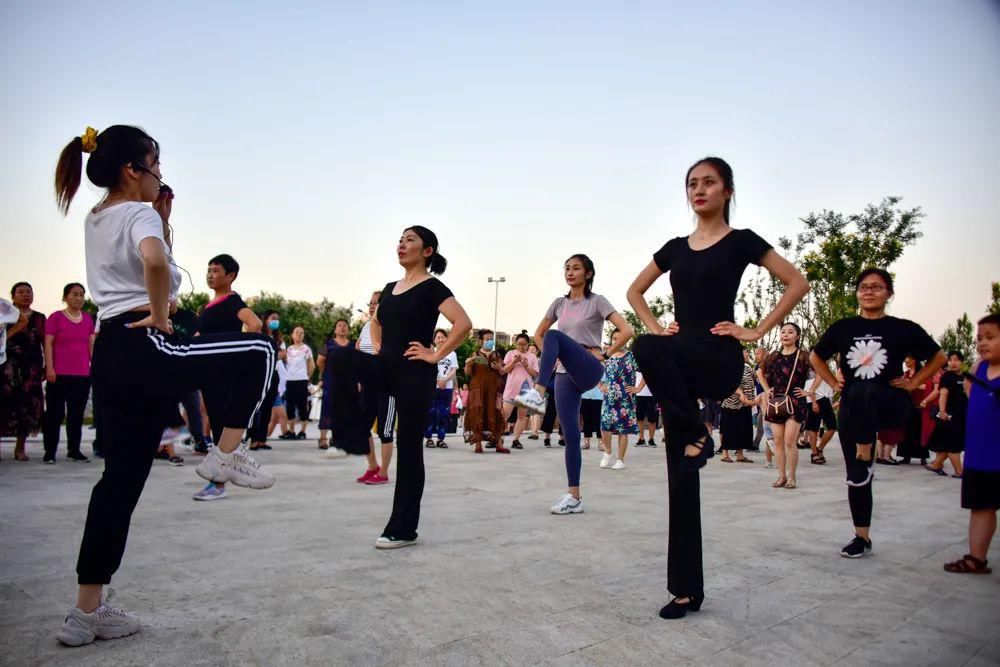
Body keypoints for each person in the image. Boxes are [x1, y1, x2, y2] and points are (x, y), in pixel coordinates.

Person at [53, 124, 275, 646]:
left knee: (120, 482)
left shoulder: (98, 215)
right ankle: (225, 454)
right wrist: (158, 314)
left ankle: (86, 612)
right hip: (144, 341)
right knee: (259, 349)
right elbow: (152, 264)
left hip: (111, 351)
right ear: (134, 169)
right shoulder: (138, 212)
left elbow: (152, 261)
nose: (161, 176)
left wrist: (164, 228)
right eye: (156, 166)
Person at [625, 156, 808, 619]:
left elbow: (796, 281)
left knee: (647, 349)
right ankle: (685, 591)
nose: (698, 190)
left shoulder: (742, 241)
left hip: (718, 359)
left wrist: (756, 330)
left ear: (728, 190)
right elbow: (635, 292)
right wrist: (655, 326)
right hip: (678, 368)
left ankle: (699, 434)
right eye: (692, 184)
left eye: (709, 182)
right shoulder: (674, 247)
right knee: (680, 476)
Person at [328, 226, 472, 548]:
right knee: (340, 359)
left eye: (410, 240)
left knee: (409, 450)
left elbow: (463, 324)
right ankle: (349, 436)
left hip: (414, 373)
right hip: (385, 366)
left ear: (427, 252)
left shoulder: (433, 288)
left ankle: (403, 529)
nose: (402, 245)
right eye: (400, 240)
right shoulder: (391, 287)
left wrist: (435, 354)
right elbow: (375, 321)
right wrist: (377, 345)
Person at [811, 267, 945, 560]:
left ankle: (866, 446)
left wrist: (914, 382)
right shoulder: (843, 328)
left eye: (877, 287)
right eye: (863, 287)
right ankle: (862, 537)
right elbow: (815, 355)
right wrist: (833, 383)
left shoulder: (902, 328)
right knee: (856, 476)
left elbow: (939, 356)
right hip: (852, 411)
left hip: (890, 403)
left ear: (889, 293)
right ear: (857, 293)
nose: (869, 291)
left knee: (864, 390)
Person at [516, 254, 634, 514]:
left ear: (588, 273)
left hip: (588, 365)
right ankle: (574, 496)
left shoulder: (597, 302)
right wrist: (548, 350)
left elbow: (627, 330)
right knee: (570, 435)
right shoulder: (559, 304)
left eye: (576, 268)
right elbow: (539, 335)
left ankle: (537, 391)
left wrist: (604, 353)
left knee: (555, 334)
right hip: (561, 371)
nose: (570, 272)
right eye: (566, 268)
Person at [192, 253, 263, 501]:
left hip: (224, 374)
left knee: (222, 426)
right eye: (208, 269)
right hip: (208, 373)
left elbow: (254, 324)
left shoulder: (232, 301)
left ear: (230, 276)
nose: (210, 274)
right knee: (215, 423)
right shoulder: (208, 306)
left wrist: (238, 353)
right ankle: (223, 474)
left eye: (216, 270)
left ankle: (218, 483)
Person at [943, 314, 1000, 574]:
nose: (982, 343)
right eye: (979, 338)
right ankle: (977, 558)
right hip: (979, 453)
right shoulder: (977, 370)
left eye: (991, 337)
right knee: (980, 507)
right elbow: (971, 395)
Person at [43, 283, 96, 463]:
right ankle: (50, 451)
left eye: (81, 294)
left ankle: (74, 450)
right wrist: (50, 368)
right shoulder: (56, 318)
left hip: (81, 374)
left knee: (76, 414)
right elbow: (48, 344)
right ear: (66, 297)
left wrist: (94, 368)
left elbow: (91, 345)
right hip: (58, 374)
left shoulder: (88, 319)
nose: (79, 298)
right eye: (74, 294)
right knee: (55, 414)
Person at [758, 323, 810, 489]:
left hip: (795, 401)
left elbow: (821, 371)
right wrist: (767, 390)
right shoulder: (773, 356)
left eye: (790, 332)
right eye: (783, 332)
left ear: (798, 336)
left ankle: (791, 477)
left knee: (789, 441)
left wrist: (809, 391)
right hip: (776, 402)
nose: (786, 334)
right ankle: (781, 476)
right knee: (778, 441)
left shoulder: (803, 356)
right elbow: (759, 372)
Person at [1, 282, 46, 461]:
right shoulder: (5, 315)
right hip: (6, 367)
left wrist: (47, 366)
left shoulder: (40, 318)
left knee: (27, 406)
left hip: (31, 368)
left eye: (28, 292)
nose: (25, 295)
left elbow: (45, 343)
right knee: (3, 405)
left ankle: (20, 448)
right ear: (13, 296)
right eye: (21, 292)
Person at [355, 291, 396, 484]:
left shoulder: (390, 327)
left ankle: (384, 473)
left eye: (376, 303)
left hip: (386, 384)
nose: (372, 306)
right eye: (370, 303)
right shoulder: (365, 328)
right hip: (368, 384)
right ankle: (372, 466)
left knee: (385, 431)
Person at [598, 328, 639, 470]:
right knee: (605, 427)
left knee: (623, 429)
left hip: (626, 399)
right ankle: (608, 452)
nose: (617, 341)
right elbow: (595, 370)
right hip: (609, 398)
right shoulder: (607, 357)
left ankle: (620, 460)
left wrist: (638, 388)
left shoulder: (631, 357)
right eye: (614, 338)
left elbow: (648, 371)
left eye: (619, 338)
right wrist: (600, 385)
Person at [926, 351, 968, 478]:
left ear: (962, 362)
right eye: (951, 360)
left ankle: (935, 465)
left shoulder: (963, 377)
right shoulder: (947, 377)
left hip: (961, 416)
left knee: (949, 444)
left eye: (957, 360)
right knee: (953, 445)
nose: (953, 363)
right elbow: (943, 394)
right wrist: (943, 411)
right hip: (949, 416)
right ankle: (959, 471)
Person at [246, 310, 285, 449]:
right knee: (257, 408)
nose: (276, 321)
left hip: (273, 374)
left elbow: (283, 354)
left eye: (277, 318)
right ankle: (252, 438)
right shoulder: (259, 335)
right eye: (273, 318)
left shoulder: (278, 337)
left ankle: (262, 439)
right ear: (266, 320)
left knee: (268, 408)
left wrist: (273, 354)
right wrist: (275, 354)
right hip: (260, 373)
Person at [464, 329, 507, 453]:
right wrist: (468, 364)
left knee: (496, 412)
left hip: (494, 389)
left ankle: (499, 444)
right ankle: (478, 445)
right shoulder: (475, 354)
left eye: (491, 339)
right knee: (477, 412)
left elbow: (503, 372)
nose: (489, 341)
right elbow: (467, 373)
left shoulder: (496, 355)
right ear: (481, 341)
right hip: (477, 388)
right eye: (487, 339)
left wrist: (499, 367)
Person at [317, 318, 353, 449]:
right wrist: (326, 373)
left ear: (348, 330)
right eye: (339, 325)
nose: (342, 327)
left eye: (345, 326)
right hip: (331, 382)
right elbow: (320, 361)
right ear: (335, 329)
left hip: (347, 384)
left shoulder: (352, 345)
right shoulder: (329, 344)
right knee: (327, 409)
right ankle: (322, 438)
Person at [500, 331, 539, 449]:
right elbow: (504, 370)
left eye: (524, 344)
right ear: (515, 344)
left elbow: (535, 374)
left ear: (528, 344)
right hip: (511, 389)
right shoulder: (511, 353)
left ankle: (516, 439)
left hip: (525, 389)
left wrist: (526, 365)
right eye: (519, 344)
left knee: (522, 416)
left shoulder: (532, 357)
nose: (521, 347)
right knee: (504, 414)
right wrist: (514, 361)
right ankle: (498, 438)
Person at [719, 350, 755, 463]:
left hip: (745, 403)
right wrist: (741, 394)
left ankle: (740, 455)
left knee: (743, 429)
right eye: (745, 353)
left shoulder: (748, 367)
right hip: (731, 404)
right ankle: (724, 454)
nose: (747, 355)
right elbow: (731, 383)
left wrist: (751, 400)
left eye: (748, 353)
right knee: (728, 429)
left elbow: (754, 379)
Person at [898, 355, 935, 465]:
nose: (905, 360)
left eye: (907, 358)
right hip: (908, 405)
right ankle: (906, 456)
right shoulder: (906, 374)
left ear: (914, 360)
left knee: (919, 430)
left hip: (919, 405)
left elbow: (927, 387)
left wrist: (912, 384)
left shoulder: (922, 373)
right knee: (907, 431)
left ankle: (922, 456)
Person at [425, 328, 459, 448]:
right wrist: (437, 380)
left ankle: (441, 438)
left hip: (447, 388)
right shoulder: (431, 352)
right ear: (434, 340)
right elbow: (427, 370)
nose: (440, 339)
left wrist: (444, 380)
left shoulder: (452, 353)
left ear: (447, 339)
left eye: (443, 337)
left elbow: (454, 370)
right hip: (432, 387)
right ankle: (429, 438)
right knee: (430, 413)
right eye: (438, 337)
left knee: (444, 415)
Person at [803, 363, 838, 465]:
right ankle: (814, 453)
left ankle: (820, 448)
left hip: (825, 399)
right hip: (813, 400)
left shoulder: (824, 371)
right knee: (813, 427)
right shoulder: (811, 372)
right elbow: (811, 388)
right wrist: (814, 402)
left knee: (832, 427)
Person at [283, 326, 314, 441]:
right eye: (296, 332)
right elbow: (286, 364)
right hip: (290, 380)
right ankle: (291, 431)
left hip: (301, 380)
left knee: (302, 406)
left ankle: (302, 431)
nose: (299, 334)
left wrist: (307, 377)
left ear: (303, 336)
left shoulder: (306, 349)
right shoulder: (289, 349)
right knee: (289, 406)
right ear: (292, 335)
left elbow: (311, 365)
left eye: (301, 333)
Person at [634, 371, 658, 447]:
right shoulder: (634, 364)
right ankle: (641, 439)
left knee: (652, 418)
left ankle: (651, 439)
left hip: (651, 394)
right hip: (638, 395)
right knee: (639, 418)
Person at [581, 383, 603, 450]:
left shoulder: (602, 372)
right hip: (585, 395)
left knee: (598, 420)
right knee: (586, 419)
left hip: (599, 396)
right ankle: (586, 441)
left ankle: (601, 442)